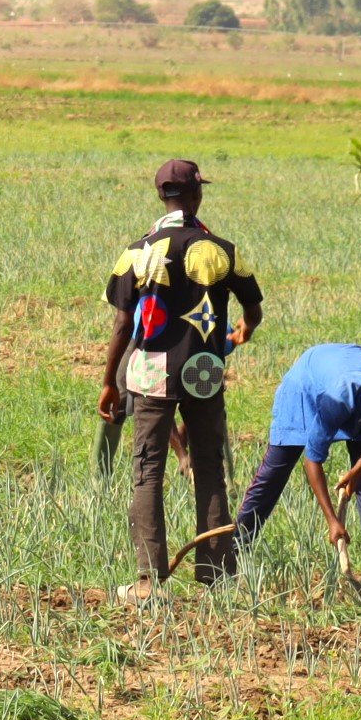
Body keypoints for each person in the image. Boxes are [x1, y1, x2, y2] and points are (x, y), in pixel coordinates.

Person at [100, 159, 262, 601]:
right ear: (197, 196)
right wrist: (245, 327)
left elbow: (121, 325)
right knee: (210, 468)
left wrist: (110, 381)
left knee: (148, 471)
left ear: (160, 196)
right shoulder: (222, 250)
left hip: (151, 372)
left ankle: (149, 582)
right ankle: (216, 575)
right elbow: (254, 308)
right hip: (204, 374)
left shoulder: (138, 252)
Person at [233, 344, 361, 607]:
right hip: (306, 388)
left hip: (348, 370)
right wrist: (332, 521)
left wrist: (357, 470)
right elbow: (313, 461)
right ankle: (232, 551)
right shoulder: (337, 398)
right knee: (274, 473)